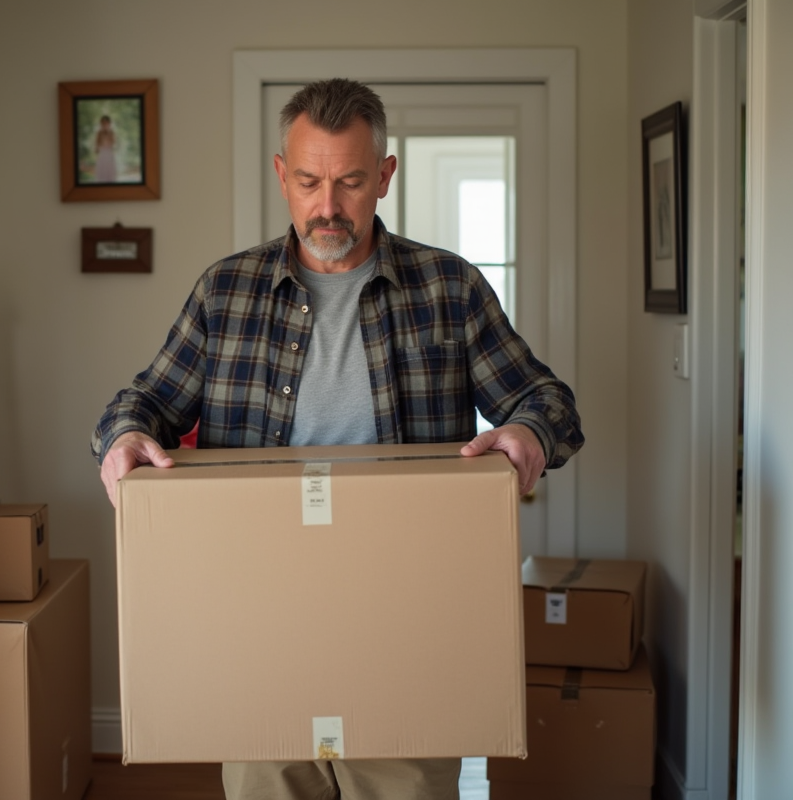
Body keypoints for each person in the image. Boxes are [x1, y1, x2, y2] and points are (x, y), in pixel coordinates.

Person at [90, 78, 583, 800]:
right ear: (281, 175)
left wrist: (528, 431)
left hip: (407, 638)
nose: (328, 206)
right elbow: (144, 403)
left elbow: (549, 403)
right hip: (257, 634)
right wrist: (125, 435)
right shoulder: (224, 294)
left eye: (351, 181)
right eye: (311, 181)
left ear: (384, 175)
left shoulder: (450, 289)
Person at [93, 114, 117, 182]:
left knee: (110, 173)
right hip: (102, 155)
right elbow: (96, 146)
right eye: (103, 123)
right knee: (101, 173)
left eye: (106, 123)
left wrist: (108, 134)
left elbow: (113, 143)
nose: (104, 125)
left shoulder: (112, 133)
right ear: (101, 124)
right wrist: (97, 147)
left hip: (109, 154)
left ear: (109, 124)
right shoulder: (99, 133)